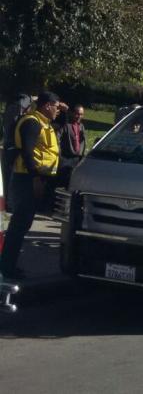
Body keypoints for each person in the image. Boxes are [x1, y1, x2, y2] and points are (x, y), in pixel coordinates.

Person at [1, 92, 65, 279]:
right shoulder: (32, 122)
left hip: (33, 178)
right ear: (46, 106)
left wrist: (65, 113)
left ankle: (9, 265)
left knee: (23, 223)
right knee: (19, 224)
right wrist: (36, 179)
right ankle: (7, 267)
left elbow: (61, 126)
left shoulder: (43, 122)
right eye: (56, 106)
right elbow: (28, 154)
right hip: (26, 179)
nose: (58, 111)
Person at [57, 104, 86, 187]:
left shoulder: (81, 126)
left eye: (81, 114)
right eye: (77, 114)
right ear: (72, 113)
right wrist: (60, 155)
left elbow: (83, 142)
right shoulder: (66, 126)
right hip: (66, 159)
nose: (79, 116)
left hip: (77, 159)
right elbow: (57, 139)